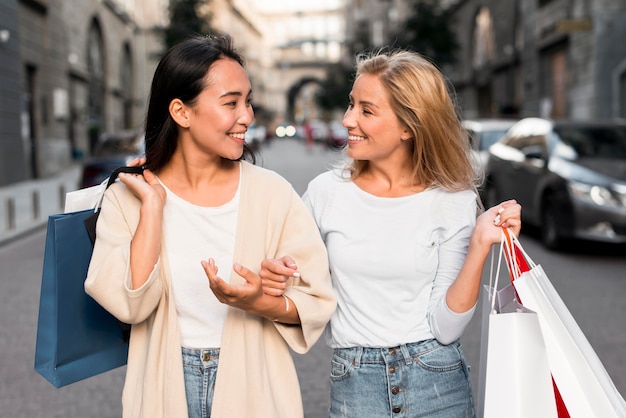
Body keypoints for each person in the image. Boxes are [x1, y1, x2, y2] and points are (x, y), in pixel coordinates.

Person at [84, 34, 336, 418]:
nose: (247, 116)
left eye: (247, 101)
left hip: (254, 389)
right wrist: (152, 208)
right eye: (231, 102)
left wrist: (260, 301)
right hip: (163, 389)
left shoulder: (271, 194)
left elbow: (314, 302)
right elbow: (131, 306)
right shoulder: (127, 199)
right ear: (182, 112)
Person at [261, 49, 522, 417]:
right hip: (355, 383)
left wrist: (480, 244)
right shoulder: (325, 193)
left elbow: (446, 328)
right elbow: (295, 283)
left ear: (408, 126)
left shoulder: (453, 199)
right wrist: (278, 273)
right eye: (351, 105)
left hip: (437, 381)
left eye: (366, 110)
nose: (349, 119)